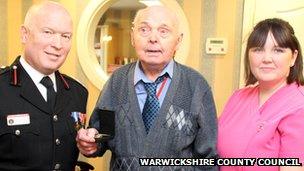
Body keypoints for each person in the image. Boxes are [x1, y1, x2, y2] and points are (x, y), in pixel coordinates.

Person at [77, 5, 218, 170]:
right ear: (132, 36)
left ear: (178, 41)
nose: (153, 38)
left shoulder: (196, 86)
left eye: (163, 31)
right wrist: (91, 144)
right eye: (144, 29)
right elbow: (101, 135)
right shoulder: (117, 81)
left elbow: (208, 160)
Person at [0, 1, 88, 170]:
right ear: (25, 34)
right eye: (48, 32)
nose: (58, 44)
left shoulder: (77, 92)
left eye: (65, 36)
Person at [218, 18, 304, 171]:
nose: (266, 59)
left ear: (293, 57)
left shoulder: (299, 106)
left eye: (278, 50)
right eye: (258, 49)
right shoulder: (238, 96)